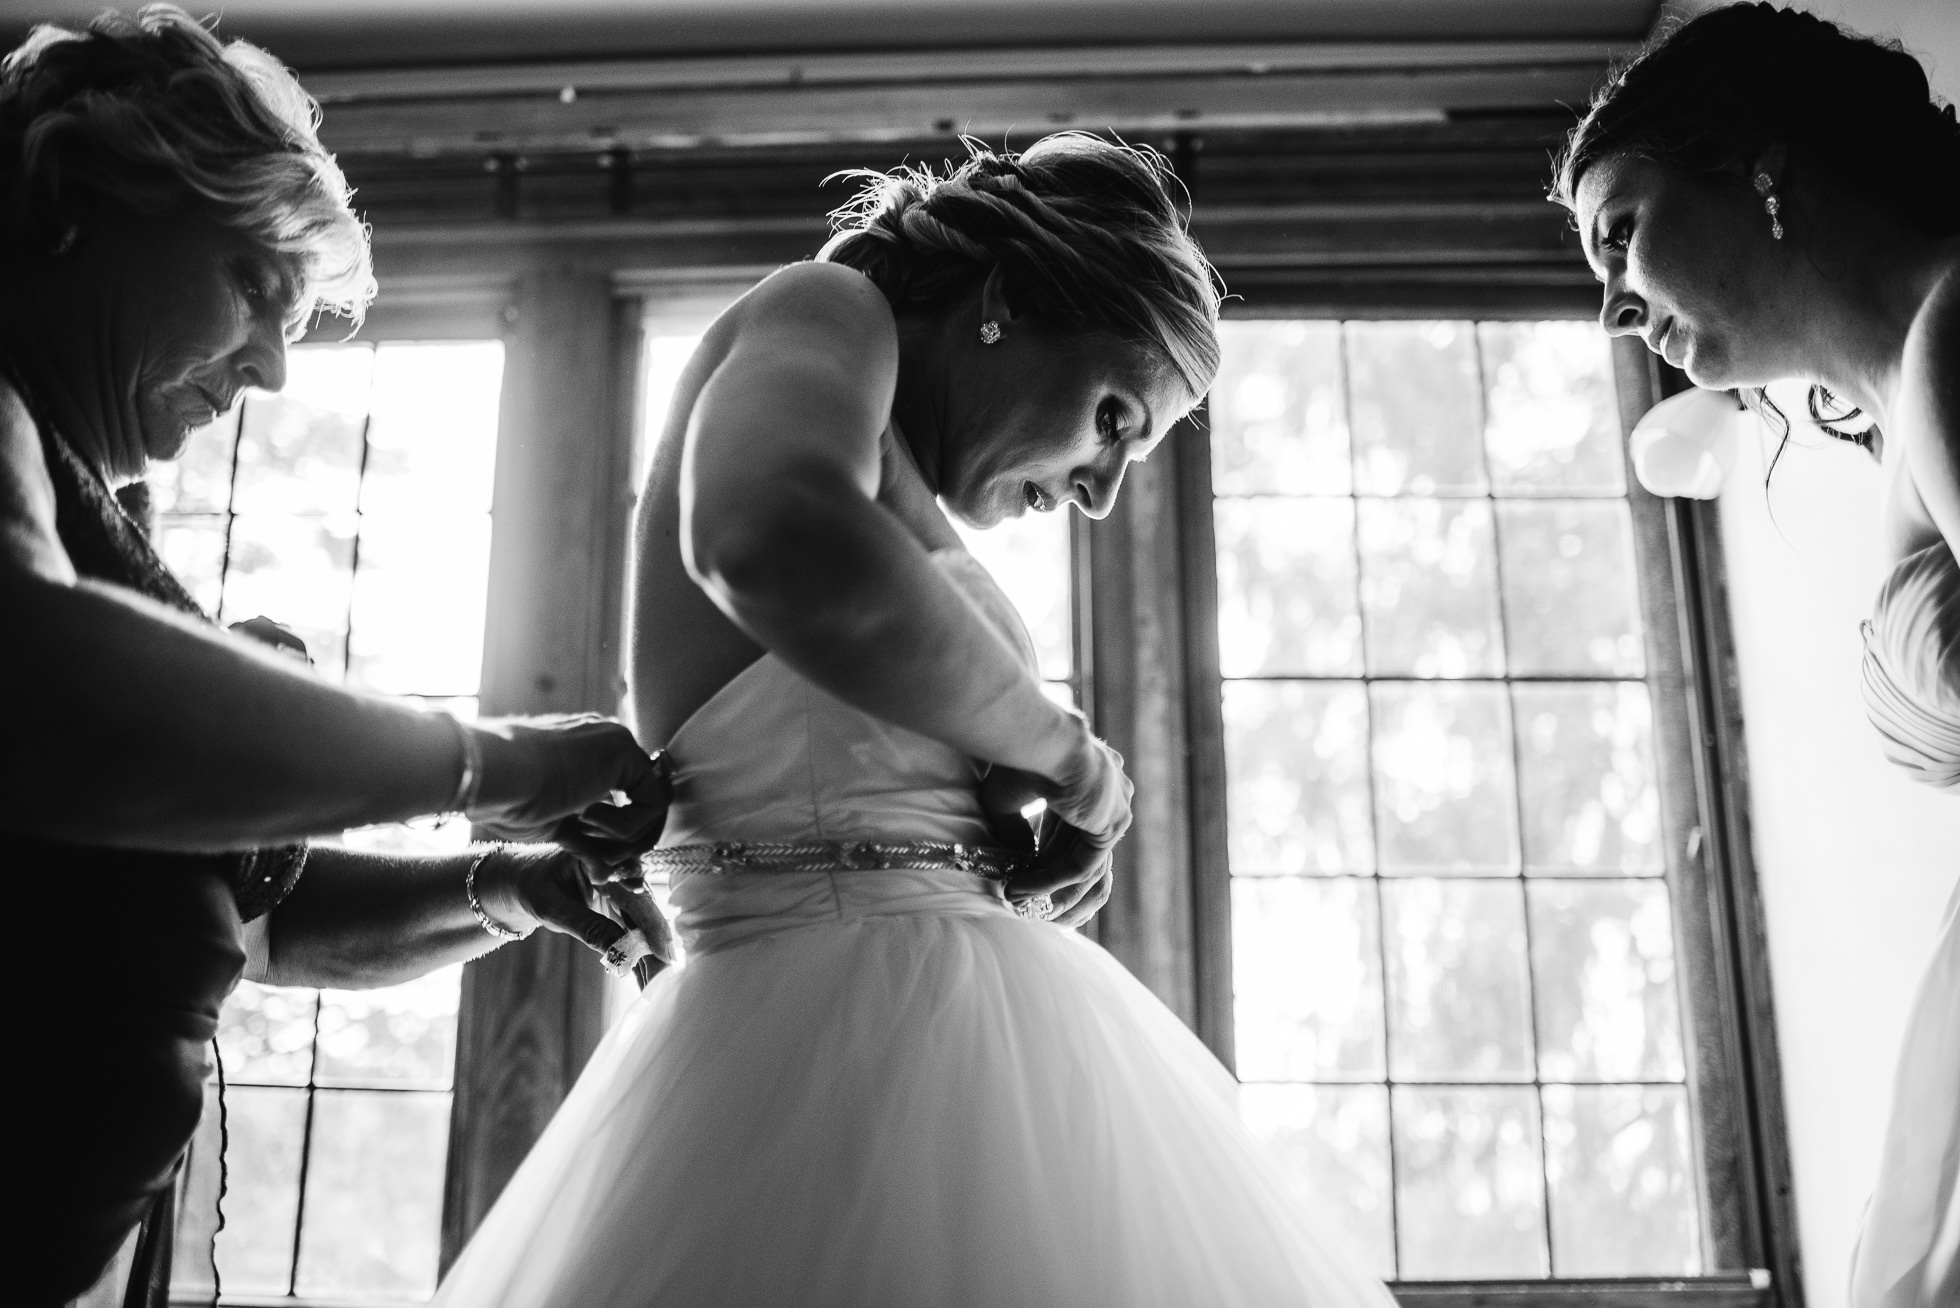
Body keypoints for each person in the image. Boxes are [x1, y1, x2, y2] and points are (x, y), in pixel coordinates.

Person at [429, 134, 1398, 1306]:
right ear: (1002, 306)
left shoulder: (883, 457)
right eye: (1111, 417)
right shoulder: (823, 305)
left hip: (933, 1030)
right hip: (829, 1039)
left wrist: (976, 824)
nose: (1099, 491)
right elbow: (766, 536)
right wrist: (1066, 758)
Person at [0, 9, 671, 1303]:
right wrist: (496, 762)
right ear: (80, 196)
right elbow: (41, 690)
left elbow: (258, 922)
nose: (266, 369)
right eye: (255, 285)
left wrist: (508, 886)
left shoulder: (87, 492)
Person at [1554, 6, 1960, 1306]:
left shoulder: (1954, 334)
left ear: (1760, 166)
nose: (1615, 306)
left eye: (1621, 230)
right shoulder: (1910, 392)